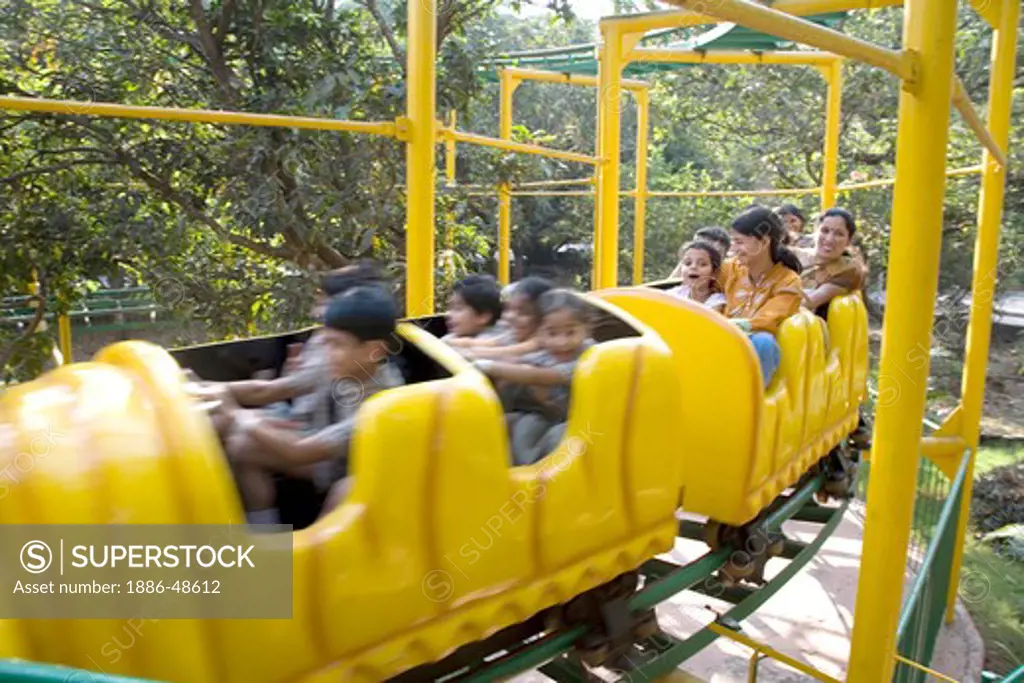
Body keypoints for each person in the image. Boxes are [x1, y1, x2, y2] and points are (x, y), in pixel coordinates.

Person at [215, 286, 405, 525]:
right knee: (241, 444)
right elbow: (273, 389)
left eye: (336, 345)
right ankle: (264, 528)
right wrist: (213, 388)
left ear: (373, 350)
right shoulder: (340, 363)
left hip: (348, 473)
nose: (326, 353)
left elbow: (301, 451)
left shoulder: (381, 403)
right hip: (322, 442)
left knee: (344, 491)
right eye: (325, 343)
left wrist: (236, 415)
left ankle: (311, 551)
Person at [472, 289, 594, 466]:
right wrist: (479, 361)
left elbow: (541, 377)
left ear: (587, 329)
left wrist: (490, 366)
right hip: (545, 414)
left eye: (570, 332)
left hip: (575, 421)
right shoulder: (546, 351)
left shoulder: (588, 356)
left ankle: (532, 474)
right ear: (539, 334)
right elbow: (518, 362)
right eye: (552, 333)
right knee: (502, 423)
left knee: (538, 433)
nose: (562, 342)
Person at [720, 205, 804, 388]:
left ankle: (751, 402)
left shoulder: (788, 280)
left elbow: (772, 317)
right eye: (733, 242)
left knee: (763, 342)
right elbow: (695, 282)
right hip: (722, 340)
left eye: (740, 242)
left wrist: (738, 325)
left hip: (752, 347)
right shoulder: (731, 268)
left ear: (764, 243)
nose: (733, 248)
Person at [461, 276, 556, 360]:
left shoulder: (541, 342)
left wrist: (471, 354)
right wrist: (450, 342)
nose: (510, 317)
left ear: (544, 317)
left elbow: (506, 352)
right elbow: (482, 344)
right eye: (508, 309)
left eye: (523, 313)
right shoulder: (511, 335)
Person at [796, 208, 865, 318]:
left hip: (804, 327)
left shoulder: (848, 269)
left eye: (839, 234)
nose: (829, 239)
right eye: (825, 231)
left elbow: (809, 302)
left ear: (848, 241)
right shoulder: (795, 255)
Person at [442, 274, 506, 345]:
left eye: (458, 308)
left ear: (483, 316)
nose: (449, 314)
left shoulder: (498, 343)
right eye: (450, 308)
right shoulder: (455, 337)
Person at [667, 240, 727, 313]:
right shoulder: (672, 294)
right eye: (688, 263)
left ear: (714, 273)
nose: (693, 267)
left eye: (702, 264)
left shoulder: (718, 301)